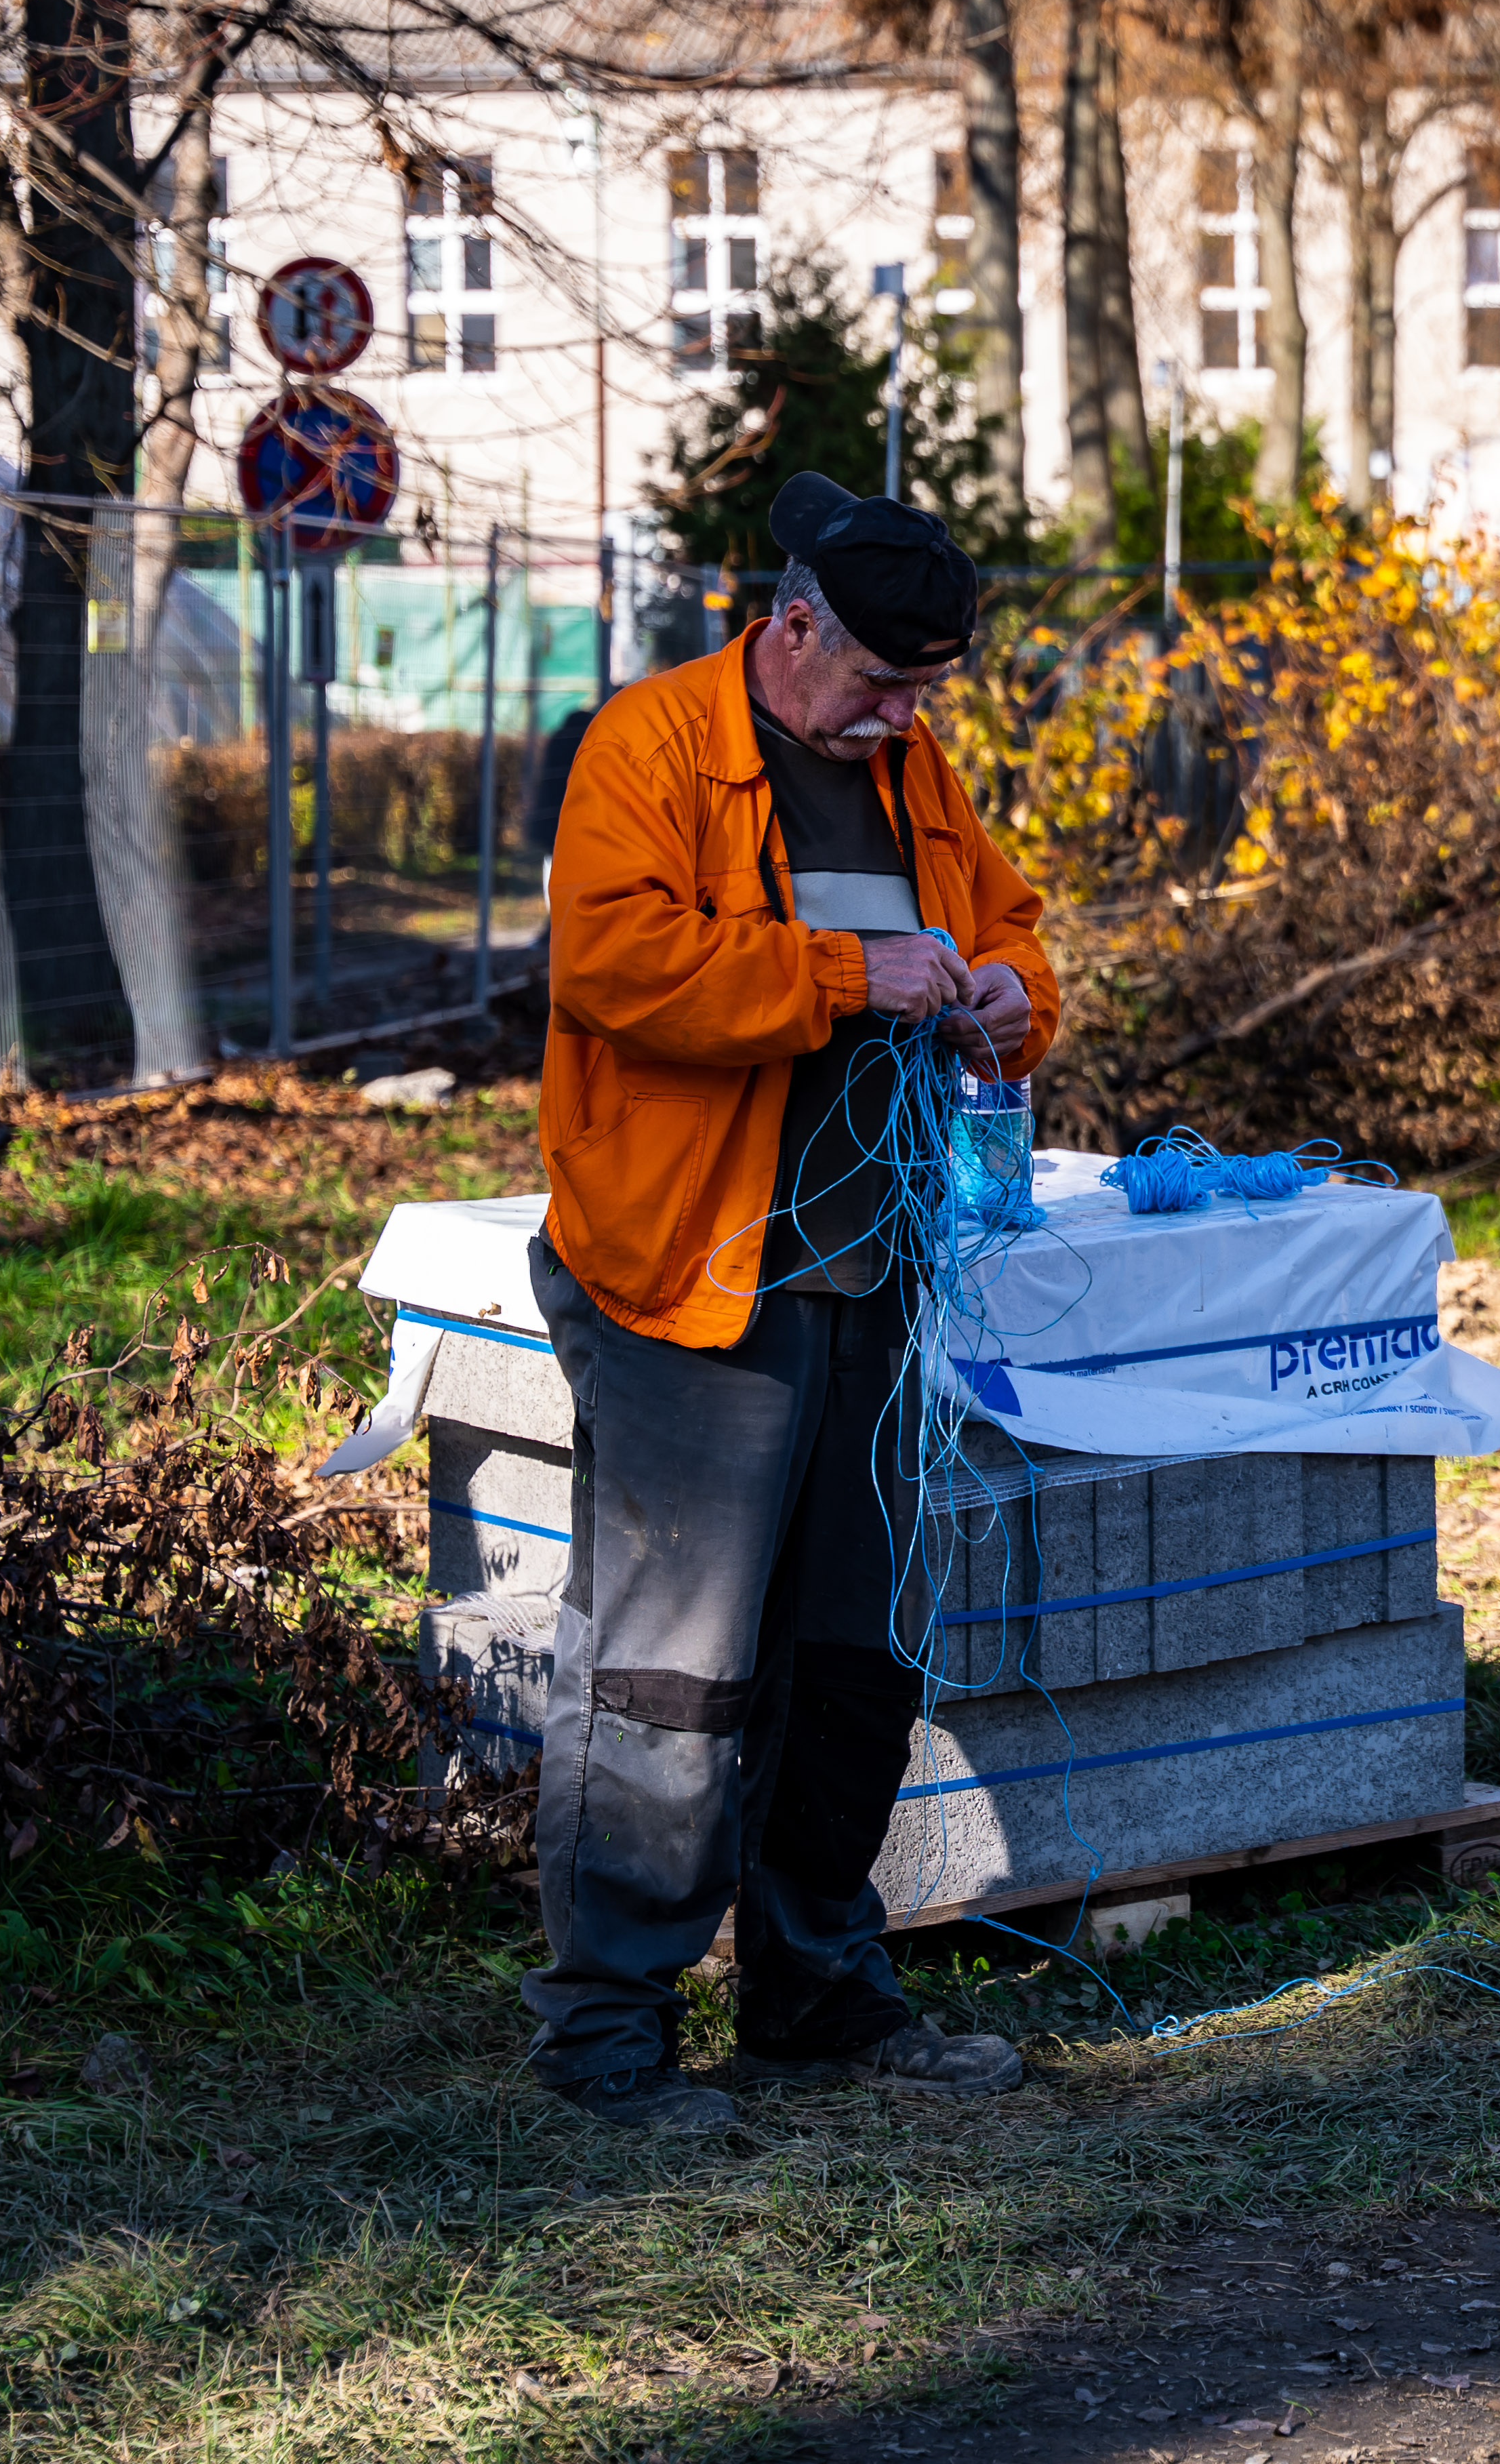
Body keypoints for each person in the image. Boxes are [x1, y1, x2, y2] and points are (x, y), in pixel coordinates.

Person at [524, 472, 1060, 2130]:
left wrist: (999, 1001)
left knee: (858, 1655)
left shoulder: (909, 767)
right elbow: (610, 966)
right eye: (883, 683)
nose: (902, 717)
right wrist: (850, 975)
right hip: (697, 1272)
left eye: (926, 692)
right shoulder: (653, 747)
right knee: (670, 1669)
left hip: (876, 1275)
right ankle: (610, 2022)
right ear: (795, 623)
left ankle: (816, 1984)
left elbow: (1017, 934)